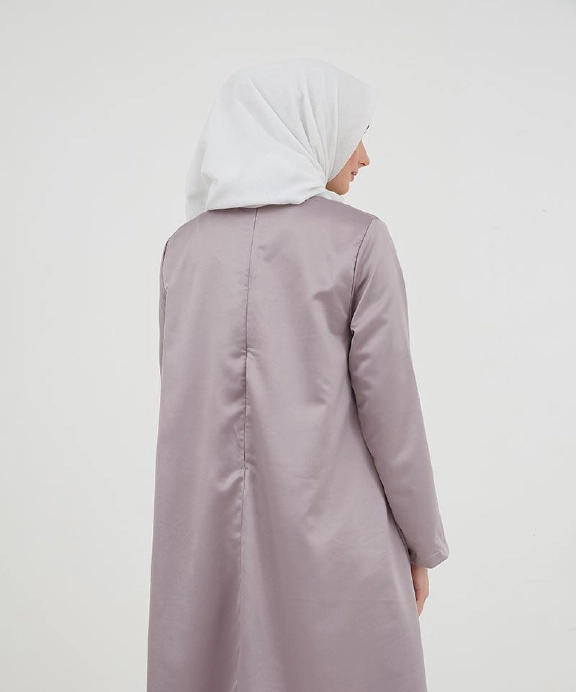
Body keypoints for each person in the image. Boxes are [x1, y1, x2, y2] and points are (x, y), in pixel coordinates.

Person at [147, 57, 450, 692]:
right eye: (355, 133)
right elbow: (392, 414)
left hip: (203, 548)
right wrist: (422, 542)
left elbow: (179, 405)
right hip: (339, 545)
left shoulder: (183, 249)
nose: (363, 156)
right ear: (305, 126)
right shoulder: (359, 241)